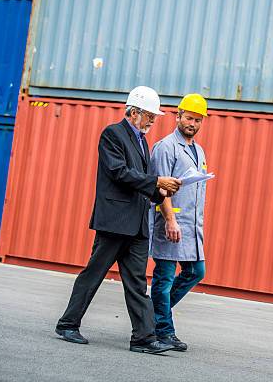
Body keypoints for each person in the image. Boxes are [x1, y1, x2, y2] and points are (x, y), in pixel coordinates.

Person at [55, 86, 182, 354]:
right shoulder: (112, 135)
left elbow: (140, 182)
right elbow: (119, 172)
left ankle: (143, 339)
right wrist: (156, 181)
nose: (152, 121)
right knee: (94, 274)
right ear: (134, 112)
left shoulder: (142, 142)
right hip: (114, 222)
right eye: (149, 116)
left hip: (136, 225)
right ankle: (67, 324)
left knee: (137, 283)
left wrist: (161, 193)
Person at [149, 93, 209, 351]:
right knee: (163, 279)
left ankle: (151, 316)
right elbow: (159, 188)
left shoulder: (198, 150)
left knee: (196, 271)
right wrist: (170, 220)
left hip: (191, 227)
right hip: (170, 224)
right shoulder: (166, 147)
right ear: (178, 116)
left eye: (197, 120)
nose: (192, 123)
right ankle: (164, 330)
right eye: (189, 118)